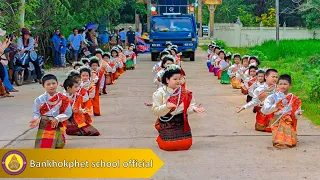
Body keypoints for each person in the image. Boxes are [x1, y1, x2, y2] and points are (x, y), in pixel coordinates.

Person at [152, 64, 205, 151]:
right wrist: (166, 107)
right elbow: (155, 111)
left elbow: (189, 106)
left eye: (179, 79)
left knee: (186, 144)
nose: (178, 81)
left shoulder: (185, 93)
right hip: (167, 121)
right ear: (167, 79)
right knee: (169, 145)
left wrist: (194, 109)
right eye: (175, 79)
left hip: (181, 122)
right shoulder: (159, 93)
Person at [30, 74, 72, 148]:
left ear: (57, 83)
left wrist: (58, 118)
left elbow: (68, 113)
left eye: (53, 83)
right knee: (43, 147)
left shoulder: (63, 98)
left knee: (59, 145)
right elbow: (36, 113)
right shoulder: (39, 99)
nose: (51, 86)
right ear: (43, 86)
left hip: (56, 123)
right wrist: (36, 119)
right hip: (44, 124)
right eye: (48, 84)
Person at [261, 74, 302, 148]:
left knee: (292, 142)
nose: (283, 86)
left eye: (285, 84)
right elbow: (264, 110)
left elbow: (296, 113)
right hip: (277, 119)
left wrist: (298, 113)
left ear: (290, 86)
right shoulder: (273, 97)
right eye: (281, 84)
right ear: (277, 85)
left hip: (288, 121)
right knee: (279, 141)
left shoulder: (294, 98)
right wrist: (275, 107)